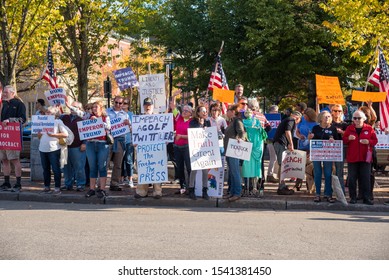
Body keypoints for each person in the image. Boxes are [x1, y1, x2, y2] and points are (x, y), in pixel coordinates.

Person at [343, 110, 378, 205]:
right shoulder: (349, 128)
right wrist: (348, 139)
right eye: (355, 118)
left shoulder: (369, 128)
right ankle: (353, 197)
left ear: (364, 119)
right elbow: (344, 140)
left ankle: (366, 198)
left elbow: (375, 140)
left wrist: (368, 142)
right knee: (352, 179)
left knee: (366, 178)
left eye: (359, 118)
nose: (357, 120)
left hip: (365, 157)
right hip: (353, 157)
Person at [134, 97, 164, 199]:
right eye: (146, 105)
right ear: (143, 106)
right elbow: (136, 133)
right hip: (143, 149)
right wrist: (135, 141)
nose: (148, 107)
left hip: (156, 148)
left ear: (152, 106)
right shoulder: (139, 119)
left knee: (156, 168)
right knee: (143, 169)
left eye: (149, 105)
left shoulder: (158, 118)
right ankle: (142, 191)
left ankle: (157, 191)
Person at [308, 111, 339, 203]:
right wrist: (310, 137)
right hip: (317, 154)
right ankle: (317, 193)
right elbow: (311, 140)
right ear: (320, 118)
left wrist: (333, 140)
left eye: (329, 116)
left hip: (328, 154)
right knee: (317, 173)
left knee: (328, 173)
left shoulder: (333, 128)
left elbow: (337, 140)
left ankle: (328, 194)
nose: (327, 118)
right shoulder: (316, 128)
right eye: (325, 117)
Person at [0, 85, 27, 192]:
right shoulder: (3, 104)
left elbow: (23, 119)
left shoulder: (19, 104)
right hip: (3, 136)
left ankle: (18, 183)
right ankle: (6, 182)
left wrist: (10, 120)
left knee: (15, 160)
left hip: (13, 137)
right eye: (4, 92)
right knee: (4, 160)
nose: (4, 94)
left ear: (12, 92)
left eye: (6, 92)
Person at [38, 106, 69, 195]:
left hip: (54, 148)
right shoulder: (42, 122)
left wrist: (54, 135)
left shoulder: (58, 122)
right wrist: (39, 133)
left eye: (51, 113)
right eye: (47, 112)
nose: (48, 114)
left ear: (55, 115)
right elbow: (39, 136)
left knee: (56, 169)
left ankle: (57, 188)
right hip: (42, 148)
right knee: (45, 169)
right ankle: (46, 187)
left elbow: (65, 134)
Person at [85, 101, 111, 198]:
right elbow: (79, 113)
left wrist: (98, 121)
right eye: (93, 107)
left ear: (101, 108)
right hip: (90, 143)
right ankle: (92, 189)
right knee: (92, 167)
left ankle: (102, 189)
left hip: (102, 144)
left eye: (96, 107)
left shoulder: (105, 117)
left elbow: (108, 127)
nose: (94, 109)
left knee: (102, 167)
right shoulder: (88, 117)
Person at [273, 111, 302, 195]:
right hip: (280, 143)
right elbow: (287, 131)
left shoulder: (287, 120)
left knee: (282, 164)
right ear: (298, 118)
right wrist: (291, 143)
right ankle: (281, 187)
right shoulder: (291, 120)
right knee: (282, 165)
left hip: (280, 142)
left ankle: (282, 185)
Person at [61, 101, 87, 192]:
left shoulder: (83, 118)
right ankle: (68, 184)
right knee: (66, 167)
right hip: (65, 146)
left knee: (79, 167)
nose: (71, 109)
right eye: (71, 107)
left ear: (80, 109)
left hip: (78, 146)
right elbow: (53, 114)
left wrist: (84, 143)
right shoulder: (64, 117)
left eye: (74, 107)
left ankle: (80, 184)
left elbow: (87, 132)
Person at [106, 96, 130, 191]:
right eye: (116, 102)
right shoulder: (107, 112)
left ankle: (114, 183)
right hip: (108, 140)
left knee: (118, 163)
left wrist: (129, 124)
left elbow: (130, 129)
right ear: (113, 102)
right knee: (105, 163)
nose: (118, 105)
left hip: (120, 140)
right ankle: (101, 184)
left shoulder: (125, 115)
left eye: (120, 103)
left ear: (123, 104)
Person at [187, 105, 211, 200]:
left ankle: (205, 191)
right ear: (198, 113)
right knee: (194, 171)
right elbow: (193, 133)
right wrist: (201, 128)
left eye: (205, 111)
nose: (205, 113)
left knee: (205, 171)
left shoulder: (207, 122)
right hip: (195, 150)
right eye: (203, 111)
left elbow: (210, 134)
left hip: (204, 150)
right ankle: (191, 190)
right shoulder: (193, 122)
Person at [223, 104, 246, 202]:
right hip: (229, 150)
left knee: (235, 172)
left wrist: (239, 139)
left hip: (234, 150)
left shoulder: (237, 120)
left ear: (233, 112)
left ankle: (237, 192)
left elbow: (242, 132)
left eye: (228, 110)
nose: (226, 112)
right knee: (232, 172)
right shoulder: (232, 121)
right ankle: (232, 192)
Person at [294, 108, 317, 190]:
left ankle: (309, 186)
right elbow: (297, 131)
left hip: (311, 148)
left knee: (309, 168)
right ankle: (298, 184)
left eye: (306, 116)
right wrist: (299, 136)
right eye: (304, 116)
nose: (305, 117)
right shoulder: (302, 120)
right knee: (300, 166)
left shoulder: (315, 124)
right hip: (302, 146)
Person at [173, 104, 193, 194]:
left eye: (186, 111)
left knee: (189, 167)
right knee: (179, 168)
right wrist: (174, 96)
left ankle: (190, 187)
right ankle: (183, 187)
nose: (184, 112)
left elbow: (193, 135)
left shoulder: (192, 122)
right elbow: (173, 107)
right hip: (177, 146)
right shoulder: (179, 118)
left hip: (187, 146)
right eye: (183, 110)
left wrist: (181, 136)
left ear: (191, 113)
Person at [331, 104, 348, 193]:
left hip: (340, 149)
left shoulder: (344, 124)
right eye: (335, 111)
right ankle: (329, 192)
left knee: (339, 171)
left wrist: (342, 132)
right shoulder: (329, 123)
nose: (337, 112)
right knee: (329, 171)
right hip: (329, 149)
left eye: (339, 111)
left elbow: (348, 136)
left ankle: (341, 192)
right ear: (332, 112)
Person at [120, 98, 134, 187]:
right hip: (119, 139)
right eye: (122, 103)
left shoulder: (131, 115)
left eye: (125, 103)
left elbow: (135, 129)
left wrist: (129, 124)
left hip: (129, 140)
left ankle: (130, 179)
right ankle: (121, 178)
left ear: (128, 105)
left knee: (129, 160)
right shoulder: (118, 114)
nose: (123, 105)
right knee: (120, 160)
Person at [266, 105, 279, 183]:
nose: (276, 113)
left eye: (277, 111)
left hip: (276, 139)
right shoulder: (267, 118)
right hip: (270, 140)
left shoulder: (278, 118)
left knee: (275, 158)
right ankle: (270, 175)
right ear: (270, 111)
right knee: (273, 158)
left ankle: (273, 174)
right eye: (274, 111)